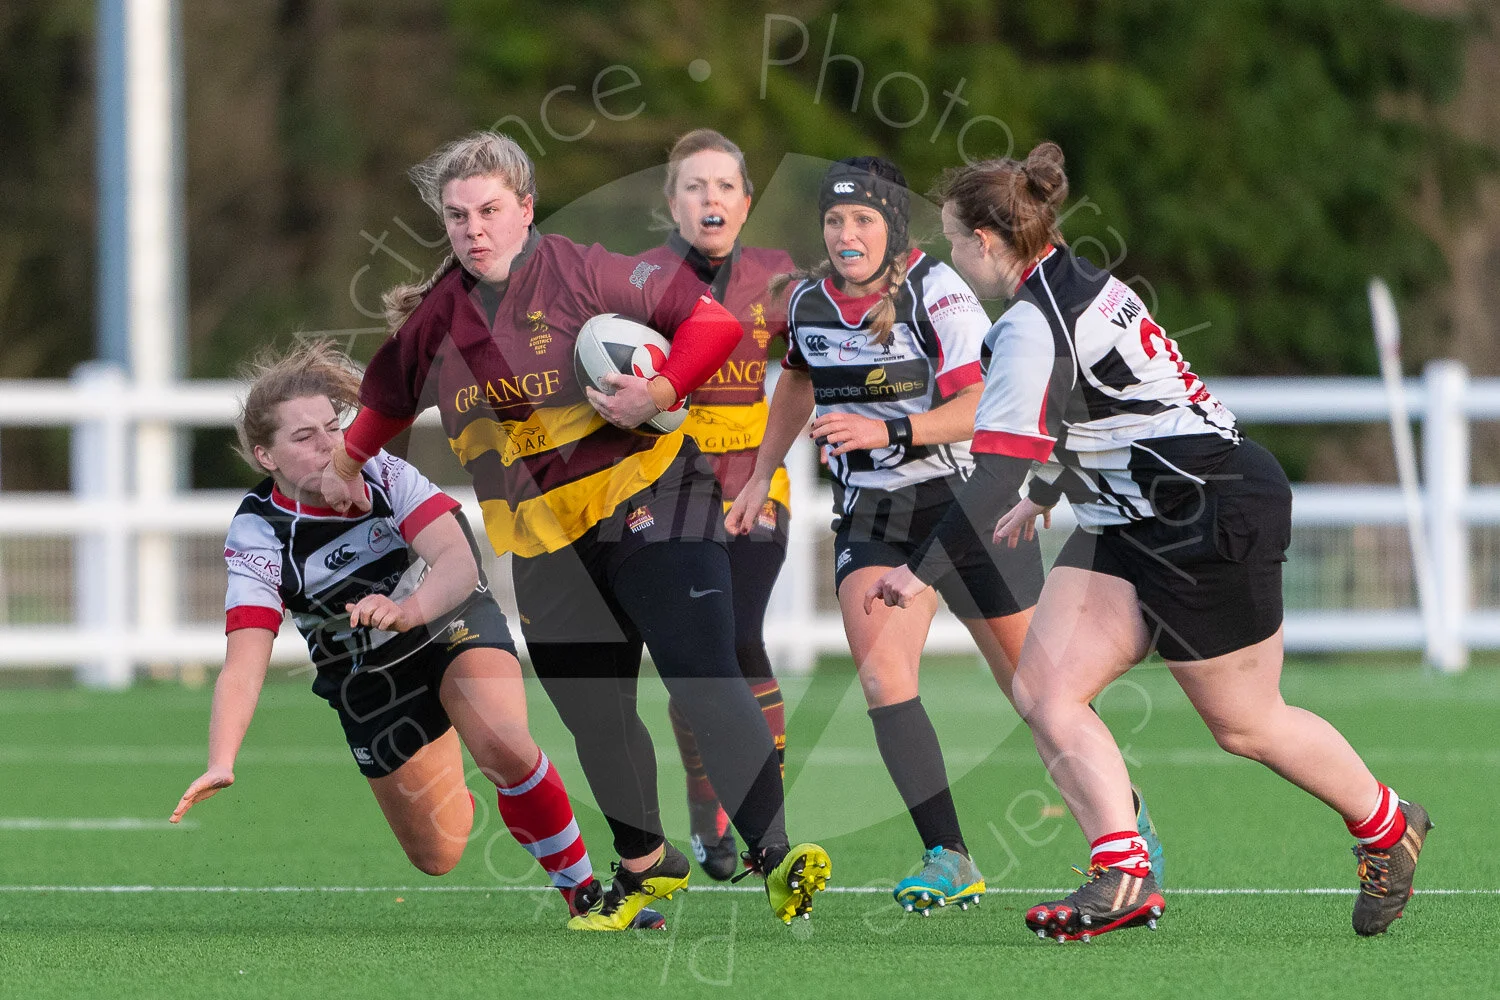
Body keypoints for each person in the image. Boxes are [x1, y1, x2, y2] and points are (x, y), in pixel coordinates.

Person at [867, 142, 1432, 941]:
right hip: (1131, 517)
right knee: (1045, 690)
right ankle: (1122, 870)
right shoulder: (1074, 286)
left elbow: (994, 470)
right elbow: (1104, 413)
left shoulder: (1033, 323)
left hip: (1208, 512)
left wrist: (920, 573)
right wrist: (1046, 493)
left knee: (1245, 725)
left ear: (986, 243)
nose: (950, 255)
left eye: (955, 240)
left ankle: (1387, 826)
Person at [315, 132, 829, 930]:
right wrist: (345, 463)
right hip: (545, 542)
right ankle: (647, 866)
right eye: (458, 217)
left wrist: (654, 388)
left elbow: (713, 326)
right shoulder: (436, 321)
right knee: (596, 711)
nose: (474, 228)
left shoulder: (587, 271)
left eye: (490, 210)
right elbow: (386, 396)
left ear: (525, 209)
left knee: (699, 664)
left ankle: (776, 853)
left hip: (654, 496)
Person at [168, 341, 665, 928]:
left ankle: (588, 896)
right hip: (368, 680)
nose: (329, 445)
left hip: (448, 621)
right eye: (304, 438)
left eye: (333, 426)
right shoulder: (259, 532)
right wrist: (221, 759)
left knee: (504, 742)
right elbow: (244, 661)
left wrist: (409, 609)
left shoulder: (380, 468)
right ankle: (446, 728)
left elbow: (457, 560)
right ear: (264, 456)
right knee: (438, 855)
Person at [728, 156, 1044, 914]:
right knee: (880, 678)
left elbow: (980, 406)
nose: (846, 234)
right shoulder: (806, 304)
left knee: (1039, 691)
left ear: (891, 229)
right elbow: (798, 382)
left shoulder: (937, 291)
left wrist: (886, 427)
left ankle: (1125, 825)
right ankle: (948, 855)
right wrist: (757, 473)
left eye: (863, 219)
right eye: (834, 220)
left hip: (966, 501)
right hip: (873, 516)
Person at [636, 129, 795, 881]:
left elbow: (814, 363)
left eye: (724, 186)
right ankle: (709, 812)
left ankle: (770, 828)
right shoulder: (637, 281)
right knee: (692, 664)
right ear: (672, 201)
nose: (711, 199)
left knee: (741, 646)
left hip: (757, 483)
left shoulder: (776, 277)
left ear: (746, 201)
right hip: (669, 489)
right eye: (694, 187)